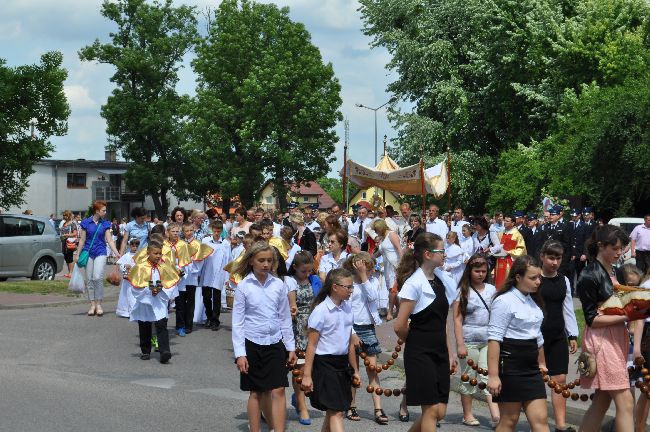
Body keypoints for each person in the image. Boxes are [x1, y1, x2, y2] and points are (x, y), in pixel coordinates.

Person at [394, 232, 458, 431]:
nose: (445, 254)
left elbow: (443, 323)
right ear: (428, 254)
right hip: (420, 352)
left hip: (439, 351)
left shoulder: (441, 280)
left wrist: (450, 352)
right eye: (442, 250)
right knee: (430, 411)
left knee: (439, 412)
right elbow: (399, 325)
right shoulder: (414, 284)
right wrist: (414, 341)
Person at [231, 241, 297, 432]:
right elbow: (238, 322)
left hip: (275, 343)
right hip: (252, 343)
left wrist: (290, 347)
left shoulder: (278, 285)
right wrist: (240, 354)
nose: (265, 264)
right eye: (261, 260)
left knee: (278, 389)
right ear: (251, 260)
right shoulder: (244, 286)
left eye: (269, 260)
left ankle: (279, 429)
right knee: (256, 392)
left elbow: (285, 318)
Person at [576, 225, 634, 432]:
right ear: (601, 246)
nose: (620, 253)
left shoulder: (613, 270)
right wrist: (628, 315)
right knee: (625, 402)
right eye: (616, 248)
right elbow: (591, 319)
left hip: (614, 337)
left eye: (622, 249)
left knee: (601, 401)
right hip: (602, 340)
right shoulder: (589, 274)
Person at [486, 255, 549, 432]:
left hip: (531, 369)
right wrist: (493, 375)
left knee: (541, 419)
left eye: (539, 278)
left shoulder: (533, 301)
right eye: (533, 278)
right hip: (511, 366)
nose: (538, 282)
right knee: (509, 419)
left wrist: (542, 363)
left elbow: (538, 338)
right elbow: (494, 339)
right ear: (518, 277)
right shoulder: (504, 301)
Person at [301, 268, 360, 432]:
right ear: (335, 287)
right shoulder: (321, 311)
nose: (351, 290)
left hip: (341, 365)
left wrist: (355, 370)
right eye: (347, 287)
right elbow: (311, 345)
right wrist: (307, 375)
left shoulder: (348, 309)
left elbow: (349, 343)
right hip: (325, 365)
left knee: (334, 411)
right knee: (337, 412)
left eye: (351, 287)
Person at [452, 254, 500, 428]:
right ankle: (467, 414)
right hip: (469, 340)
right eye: (477, 271)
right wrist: (460, 344)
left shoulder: (491, 290)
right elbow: (457, 319)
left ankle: (495, 416)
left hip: (488, 341)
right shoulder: (462, 291)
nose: (481, 274)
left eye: (484, 271)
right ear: (469, 271)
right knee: (468, 379)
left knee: (489, 377)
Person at [538, 240, 579, 432]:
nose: (554, 262)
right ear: (542, 257)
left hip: (557, 335)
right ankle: (537, 424)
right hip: (535, 337)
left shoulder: (563, 280)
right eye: (551, 257)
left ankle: (560, 425)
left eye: (558, 258)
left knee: (560, 379)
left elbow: (568, 308)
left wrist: (572, 334)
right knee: (537, 380)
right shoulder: (534, 278)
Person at [342, 252, 387, 425]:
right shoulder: (350, 285)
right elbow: (345, 311)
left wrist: (364, 277)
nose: (370, 273)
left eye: (370, 270)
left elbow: (373, 297)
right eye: (366, 270)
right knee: (353, 370)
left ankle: (377, 407)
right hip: (352, 328)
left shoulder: (372, 282)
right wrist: (352, 332)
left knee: (373, 369)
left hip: (368, 328)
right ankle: (351, 405)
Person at [127, 238, 179, 363]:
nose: (158, 256)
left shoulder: (164, 266)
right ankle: (145, 350)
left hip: (160, 300)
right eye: (155, 253)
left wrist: (162, 291)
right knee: (144, 325)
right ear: (148, 253)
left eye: (160, 253)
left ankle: (164, 351)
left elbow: (171, 284)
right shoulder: (141, 267)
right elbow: (135, 287)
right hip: (145, 301)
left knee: (162, 324)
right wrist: (148, 291)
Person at [286, 251, 321, 426]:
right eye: (303, 271)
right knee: (295, 368)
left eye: (309, 271)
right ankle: (301, 405)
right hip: (293, 327)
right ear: (294, 268)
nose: (307, 274)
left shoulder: (315, 281)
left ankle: (300, 401)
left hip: (311, 328)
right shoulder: (288, 282)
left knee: (307, 368)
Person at [75, 200, 121, 317]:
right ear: (96, 211)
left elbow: (109, 240)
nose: (105, 212)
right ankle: (92, 305)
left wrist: (117, 253)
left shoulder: (105, 223)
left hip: (100, 251)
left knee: (97, 277)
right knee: (89, 279)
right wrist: (77, 253)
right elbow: (82, 240)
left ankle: (99, 304)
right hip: (88, 252)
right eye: (103, 210)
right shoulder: (85, 223)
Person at [176, 221, 213, 336]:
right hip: (181, 276)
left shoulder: (197, 244)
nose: (188, 233)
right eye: (186, 231)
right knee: (180, 301)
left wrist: (190, 269)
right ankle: (180, 325)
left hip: (191, 277)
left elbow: (199, 262)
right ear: (183, 232)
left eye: (190, 230)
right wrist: (179, 269)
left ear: (194, 230)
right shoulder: (180, 243)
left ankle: (188, 325)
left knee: (190, 301)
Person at [200, 220, 231, 331]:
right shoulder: (205, 241)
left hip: (219, 273)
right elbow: (201, 257)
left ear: (221, 231)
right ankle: (208, 316)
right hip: (207, 271)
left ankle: (215, 320)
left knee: (216, 297)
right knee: (206, 296)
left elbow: (228, 260)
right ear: (211, 230)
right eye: (215, 231)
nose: (216, 233)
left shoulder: (225, 244)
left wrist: (227, 276)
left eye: (218, 231)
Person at [372, 219, 403, 320]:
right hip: (387, 266)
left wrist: (402, 265)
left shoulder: (392, 235)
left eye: (376, 230)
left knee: (392, 289)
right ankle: (399, 309)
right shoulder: (382, 238)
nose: (376, 232)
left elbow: (399, 249)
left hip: (395, 266)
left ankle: (390, 311)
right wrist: (370, 256)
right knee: (391, 289)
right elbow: (380, 252)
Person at [493, 215, 527, 288]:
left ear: (513, 223)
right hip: (499, 261)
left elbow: (521, 249)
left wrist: (509, 252)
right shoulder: (501, 233)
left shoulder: (517, 235)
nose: (505, 222)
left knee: (507, 283)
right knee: (498, 283)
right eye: (504, 220)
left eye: (507, 221)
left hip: (509, 262)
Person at [115, 238, 139, 318]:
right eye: (132, 245)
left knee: (135, 294)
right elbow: (120, 265)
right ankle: (126, 311)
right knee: (127, 294)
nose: (134, 247)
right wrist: (124, 266)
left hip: (136, 278)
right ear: (129, 245)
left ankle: (135, 311)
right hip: (127, 280)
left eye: (136, 245)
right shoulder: (126, 255)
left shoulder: (140, 255)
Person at [59, 210, 78, 277]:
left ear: (69, 216)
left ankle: (71, 273)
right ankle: (69, 272)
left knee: (69, 257)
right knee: (66, 257)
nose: (64, 216)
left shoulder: (72, 223)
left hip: (69, 242)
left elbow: (75, 233)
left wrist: (67, 235)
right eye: (63, 215)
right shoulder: (64, 223)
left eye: (65, 215)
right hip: (63, 242)